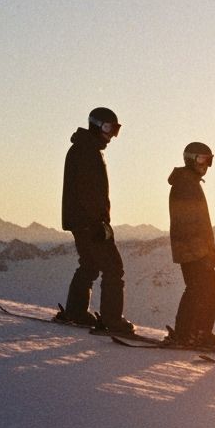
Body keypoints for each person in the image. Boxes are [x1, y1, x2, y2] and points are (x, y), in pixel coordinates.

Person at [56, 107, 135, 335]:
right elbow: (88, 192)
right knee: (113, 268)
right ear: (97, 125)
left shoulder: (84, 149)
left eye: (116, 130)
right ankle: (112, 320)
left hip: (81, 221)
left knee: (90, 265)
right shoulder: (87, 151)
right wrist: (98, 223)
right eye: (110, 128)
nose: (112, 135)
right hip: (90, 223)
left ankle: (76, 311)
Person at [162, 142, 215, 351]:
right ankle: (191, 333)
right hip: (192, 250)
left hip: (193, 249)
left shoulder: (189, 183)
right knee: (202, 289)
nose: (205, 164)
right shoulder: (186, 185)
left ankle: (192, 333)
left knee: (203, 290)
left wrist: (208, 250)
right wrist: (203, 251)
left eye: (209, 160)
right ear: (190, 158)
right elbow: (189, 223)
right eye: (201, 159)